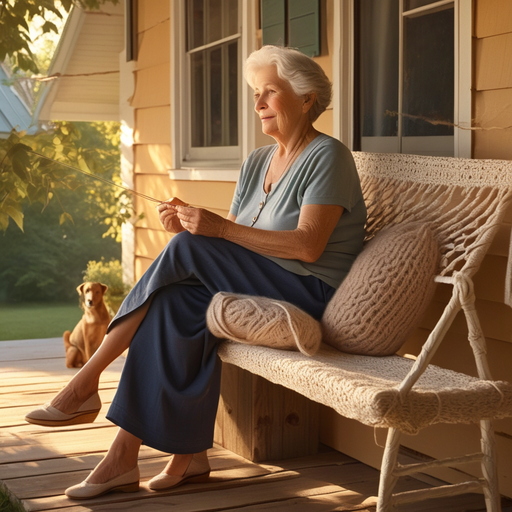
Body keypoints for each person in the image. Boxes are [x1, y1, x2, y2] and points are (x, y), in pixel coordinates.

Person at [25, 45, 367, 499]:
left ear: (306, 100)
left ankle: (86, 382)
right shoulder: (256, 163)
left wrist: (213, 231)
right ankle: (135, 457)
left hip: (307, 289)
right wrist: (195, 220)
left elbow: (308, 245)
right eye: (255, 93)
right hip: (261, 279)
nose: (257, 102)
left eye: (269, 92)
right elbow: (237, 236)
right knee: (172, 303)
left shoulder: (328, 156)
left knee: (187, 249)